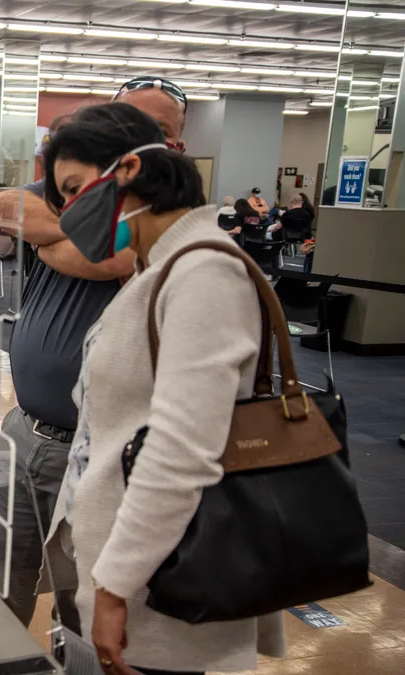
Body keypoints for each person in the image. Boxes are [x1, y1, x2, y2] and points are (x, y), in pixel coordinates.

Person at [42, 101, 284, 675]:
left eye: (77, 188)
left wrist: (115, 586)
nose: (71, 210)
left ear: (127, 171)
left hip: (157, 583)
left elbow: (180, 448)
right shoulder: (159, 268)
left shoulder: (205, 272)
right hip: (123, 563)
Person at [0, 75, 190, 636]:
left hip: (97, 457)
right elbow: (2, 204)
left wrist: (47, 235)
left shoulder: (172, 223)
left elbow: (111, 260)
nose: (130, 146)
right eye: (122, 129)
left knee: (85, 617)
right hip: (22, 432)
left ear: (175, 148)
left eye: (154, 132)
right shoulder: (77, 191)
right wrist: (70, 232)